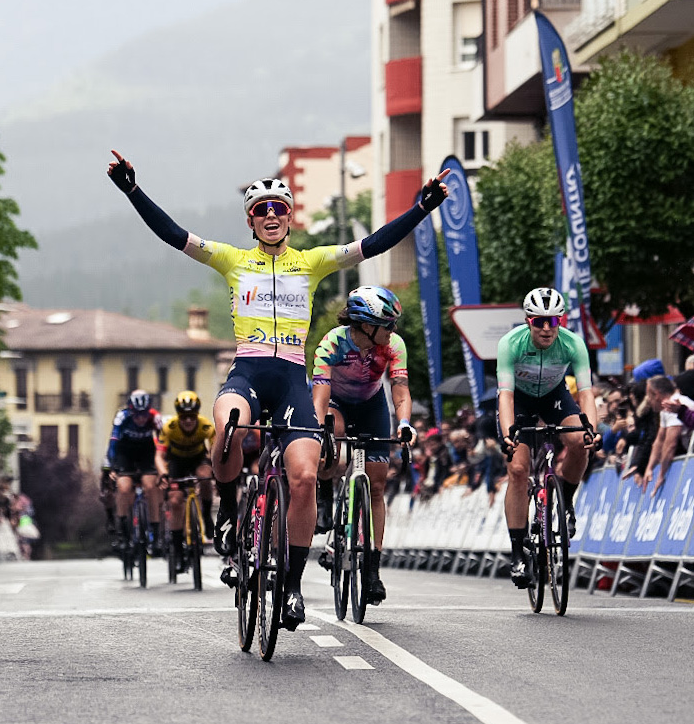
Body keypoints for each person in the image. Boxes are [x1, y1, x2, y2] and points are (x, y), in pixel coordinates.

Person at [105, 149, 448, 629]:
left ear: (290, 217)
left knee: (305, 477)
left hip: (290, 378)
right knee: (227, 425)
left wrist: (422, 208)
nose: (270, 215)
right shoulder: (231, 259)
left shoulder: (310, 263)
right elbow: (173, 235)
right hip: (247, 371)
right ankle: (227, 509)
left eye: (279, 208)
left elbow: (374, 243)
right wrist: (133, 192)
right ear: (250, 220)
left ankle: (290, 587)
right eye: (261, 209)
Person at [310, 286, 414, 606]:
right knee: (334, 446)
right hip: (335, 404)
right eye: (388, 324)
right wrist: (320, 430)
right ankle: (326, 494)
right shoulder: (331, 343)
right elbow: (321, 395)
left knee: (378, 486)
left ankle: (371, 571)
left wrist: (405, 423)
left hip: (371, 406)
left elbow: (400, 389)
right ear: (366, 324)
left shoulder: (393, 345)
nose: (393, 330)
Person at [495, 287, 599, 589]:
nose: (545, 328)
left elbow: (587, 393)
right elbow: (505, 395)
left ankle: (565, 500)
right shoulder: (510, 344)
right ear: (528, 321)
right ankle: (517, 554)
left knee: (581, 442)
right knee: (517, 469)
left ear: (560, 322)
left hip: (554, 397)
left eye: (552, 321)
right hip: (520, 401)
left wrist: (591, 428)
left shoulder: (573, 344)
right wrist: (507, 435)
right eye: (539, 321)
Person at [156, 390, 216, 563]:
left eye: (192, 416)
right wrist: (163, 474)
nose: (188, 420)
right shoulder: (169, 428)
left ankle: (205, 516)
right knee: (175, 501)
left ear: (197, 415)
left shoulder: (205, 427)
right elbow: (159, 456)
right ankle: (176, 545)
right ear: (178, 416)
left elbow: (214, 451)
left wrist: (216, 471)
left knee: (205, 476)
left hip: (198, 459)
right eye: (184, 417)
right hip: (176, 463)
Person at [105, 389, 164, 556]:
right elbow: (113, 443)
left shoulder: (155, 418)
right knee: (123, 488)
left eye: (144, 414)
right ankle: (122, 534)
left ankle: (155, 533)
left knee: (150, 486)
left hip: (146, 453)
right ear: (131, 411)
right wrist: (112, 466)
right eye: (137, 415)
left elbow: (163, 442)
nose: (140, 419)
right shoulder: (122, 417)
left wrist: (163, 466)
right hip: (125, 454)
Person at [641, 375, 694, 494]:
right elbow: (659, 440)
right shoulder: (665, 408)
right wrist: (649, 468)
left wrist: (661, 475)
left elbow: (670, 443)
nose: (648, 401)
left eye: (648, 396)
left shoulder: (675, 403)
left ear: (656, 394)